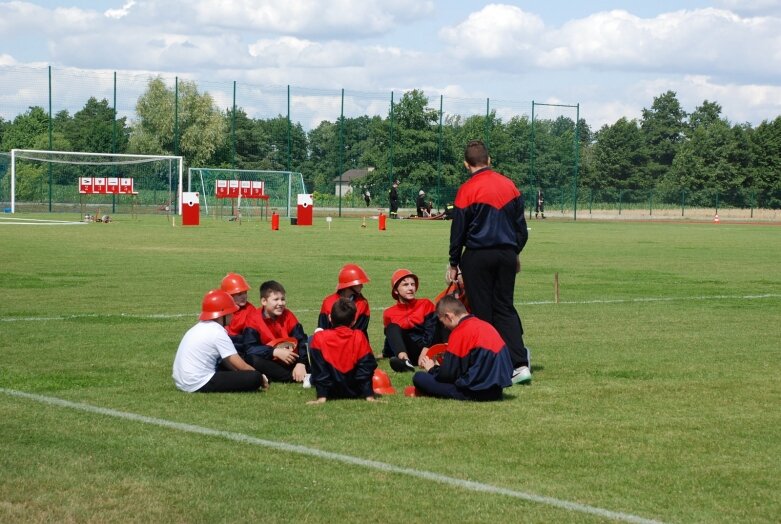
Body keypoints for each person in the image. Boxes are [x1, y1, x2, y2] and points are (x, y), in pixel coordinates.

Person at [448, 139, 532, 385]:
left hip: (477, 255)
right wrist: (514, 252)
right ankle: (520, 364)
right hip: (506, 254)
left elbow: (458, 231)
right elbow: (521, 230)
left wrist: (454, 262)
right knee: (505, 308)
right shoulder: (510, 186)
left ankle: (490, 363)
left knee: (482, 312)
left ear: (466, 164)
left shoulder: (467, 189)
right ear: (489, 160)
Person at [412, 295, 512, 401]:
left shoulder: (460, 332)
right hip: (497, 390)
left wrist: (432, 368)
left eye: (442, 322)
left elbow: (448, 375)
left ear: (448, 316)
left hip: (474, 391)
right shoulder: (486, 325)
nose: (445, 327)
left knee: (419, 377)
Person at [172, 289, 268, 393]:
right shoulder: (218, 332)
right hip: (197, 383)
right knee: (254, 377)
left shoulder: (199, 327)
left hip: (182, 382)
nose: (232, 315)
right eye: (231, 312)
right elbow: (239, 364)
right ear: (222, 315)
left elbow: (227, 361)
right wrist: (259, 376)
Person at [308, 298, 379, 403]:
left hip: (330, 392)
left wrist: (321, 397)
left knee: (311, 339)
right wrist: (369, 395)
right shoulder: (359, 336)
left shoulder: (319, 337)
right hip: (356, 391)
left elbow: (319, 369)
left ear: (330, 318)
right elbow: (366, 367)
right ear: (354, 321)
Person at [242, 280, 309, 383]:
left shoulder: (288, 315)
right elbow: (250, 348)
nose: (281, 303)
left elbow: (301, 339)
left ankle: (298, 373)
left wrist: (301, 363)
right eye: (276, 299)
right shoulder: (253, 319)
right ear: (264, 301)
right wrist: (274, 352)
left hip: (289, 358)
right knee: (251, 359)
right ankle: (293, 377)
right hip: (269, 359)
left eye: (283, 299)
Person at [383, 269, 441, 372]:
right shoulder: (389, 313)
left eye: (412, 284)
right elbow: (390, 337)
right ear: (396, 290)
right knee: (391, 327)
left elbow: (432, 330)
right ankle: (405, 361)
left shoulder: (425, 304)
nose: (410, 288)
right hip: (409, 350)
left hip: (427, 347)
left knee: (438, 323)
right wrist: (385, 353)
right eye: (405, 285)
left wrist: (426, 351)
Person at [317, 263, 371, 341]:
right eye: (359, 284)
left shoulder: (363, 303)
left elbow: (359, 332)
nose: (362, 286)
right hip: (330, 345)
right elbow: (322, 329)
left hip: (354, 346)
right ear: (349, 285)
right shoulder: (328, 302)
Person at [220, 272, 256, 353]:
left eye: (245, 293)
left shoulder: (250, 310)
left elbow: (250, 338)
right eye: (239, 294)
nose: (244, 296)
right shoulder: (220, 308)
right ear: (229, 295)